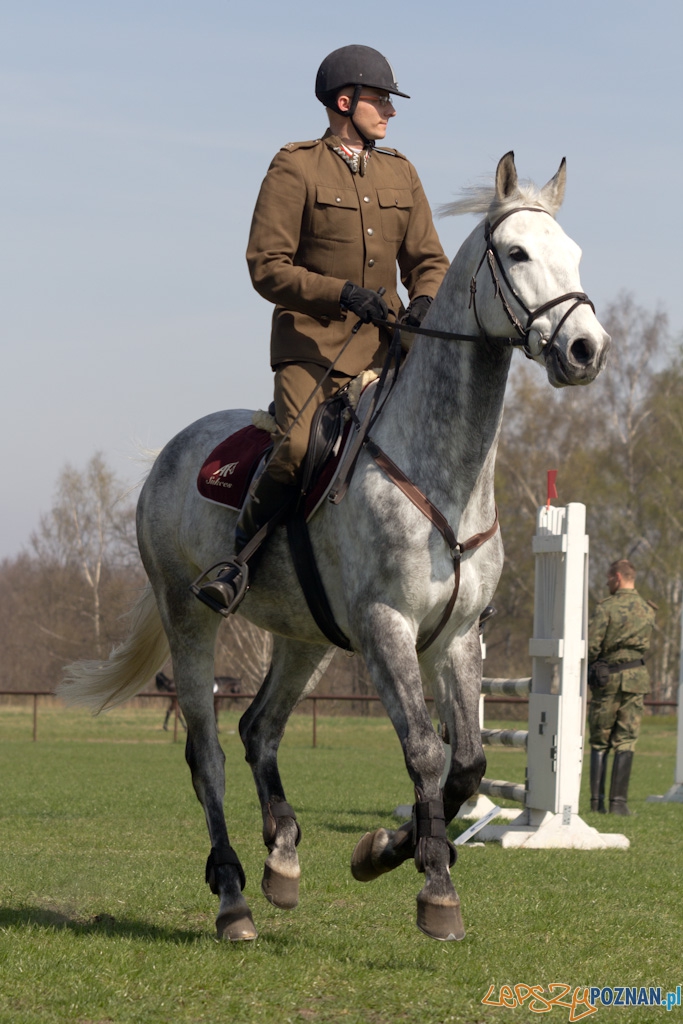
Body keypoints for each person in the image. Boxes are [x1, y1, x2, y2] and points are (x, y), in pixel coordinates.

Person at [196, 44, 450, 614]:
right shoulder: (296, 166)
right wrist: (341, 294)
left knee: (447, 435)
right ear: (345, 101)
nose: (390, 110)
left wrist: (423, 302)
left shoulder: (401, 172)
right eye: (381, 99)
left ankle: (464, 575)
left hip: (388, 346)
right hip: (314, 346)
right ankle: (240, 560)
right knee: (296, 447)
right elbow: (267, 266)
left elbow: (429, 261)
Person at [587, 559, 656, 815]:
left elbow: (592, 646)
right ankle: (619, 804)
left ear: (617, 577)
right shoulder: (648, 609)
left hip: (609, 678)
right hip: (637, 678)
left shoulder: (606, 607)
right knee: (627, 739)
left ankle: (597, 804)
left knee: (600, 739)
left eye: (608, 578)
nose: (607, 583)